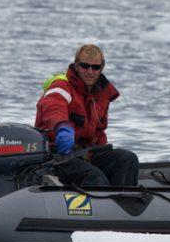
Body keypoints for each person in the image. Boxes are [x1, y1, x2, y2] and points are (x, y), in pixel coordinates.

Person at [34, 44, 140, 187]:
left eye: (95, 67)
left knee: (127, 159)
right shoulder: (61, 87)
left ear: (101, 69)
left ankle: (125, 205)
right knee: (95, 177)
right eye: (85, 66)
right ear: (76, 66)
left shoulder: (102, 96)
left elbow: (99, 132)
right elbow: (53, 109)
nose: (90, 71)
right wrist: (62, 128)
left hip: (86, 154)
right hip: (57, 157)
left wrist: (103, 150)